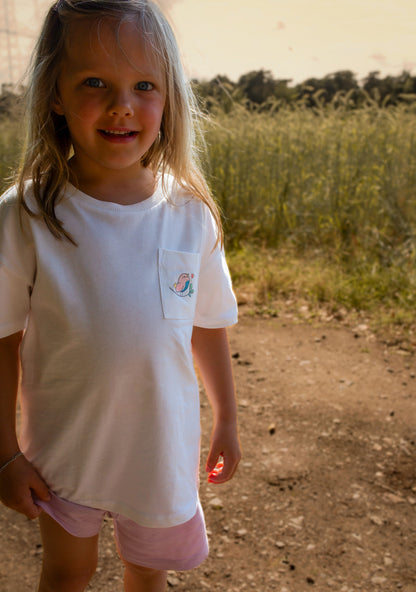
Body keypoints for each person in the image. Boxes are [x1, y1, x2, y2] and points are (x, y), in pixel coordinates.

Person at [0, 1, 241, 590]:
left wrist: (228, 418)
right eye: (93, 82)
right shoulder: (26, 215)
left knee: (147, 575)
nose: (121, 105)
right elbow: (3, 340)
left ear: (169, 98)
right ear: (53, 94)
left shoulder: (190, 214)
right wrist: (5, 453)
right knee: (66, 572)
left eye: (144, 85)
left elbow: (207, 324)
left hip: (157, 454)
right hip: (63, 453)